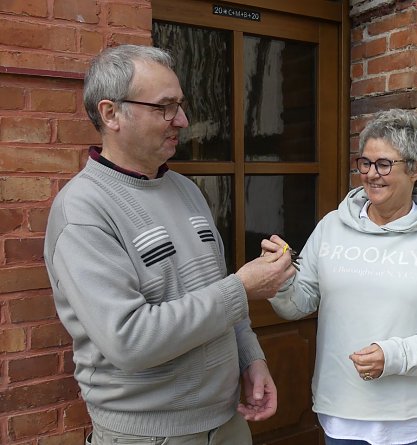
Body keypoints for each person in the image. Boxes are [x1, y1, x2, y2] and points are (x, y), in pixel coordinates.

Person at [43, 44, 295, 445]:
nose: (182, 119)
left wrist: (252, 359)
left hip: (228, 421)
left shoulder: (186, 190)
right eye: (165, 107)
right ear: (111, 114)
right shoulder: (82, 211)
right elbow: (130, 340)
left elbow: (218, 290)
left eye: (180, 105)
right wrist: (242, 288)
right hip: (151, 436)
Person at [260, 109, 417, 445]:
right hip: (341, 413)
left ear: (416, 169)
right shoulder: (331, 227)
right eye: (364, 163)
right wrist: (280, 278)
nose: (370, 175)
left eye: (383, 164)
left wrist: (396, 356)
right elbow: (298, 304)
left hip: (411, 419)